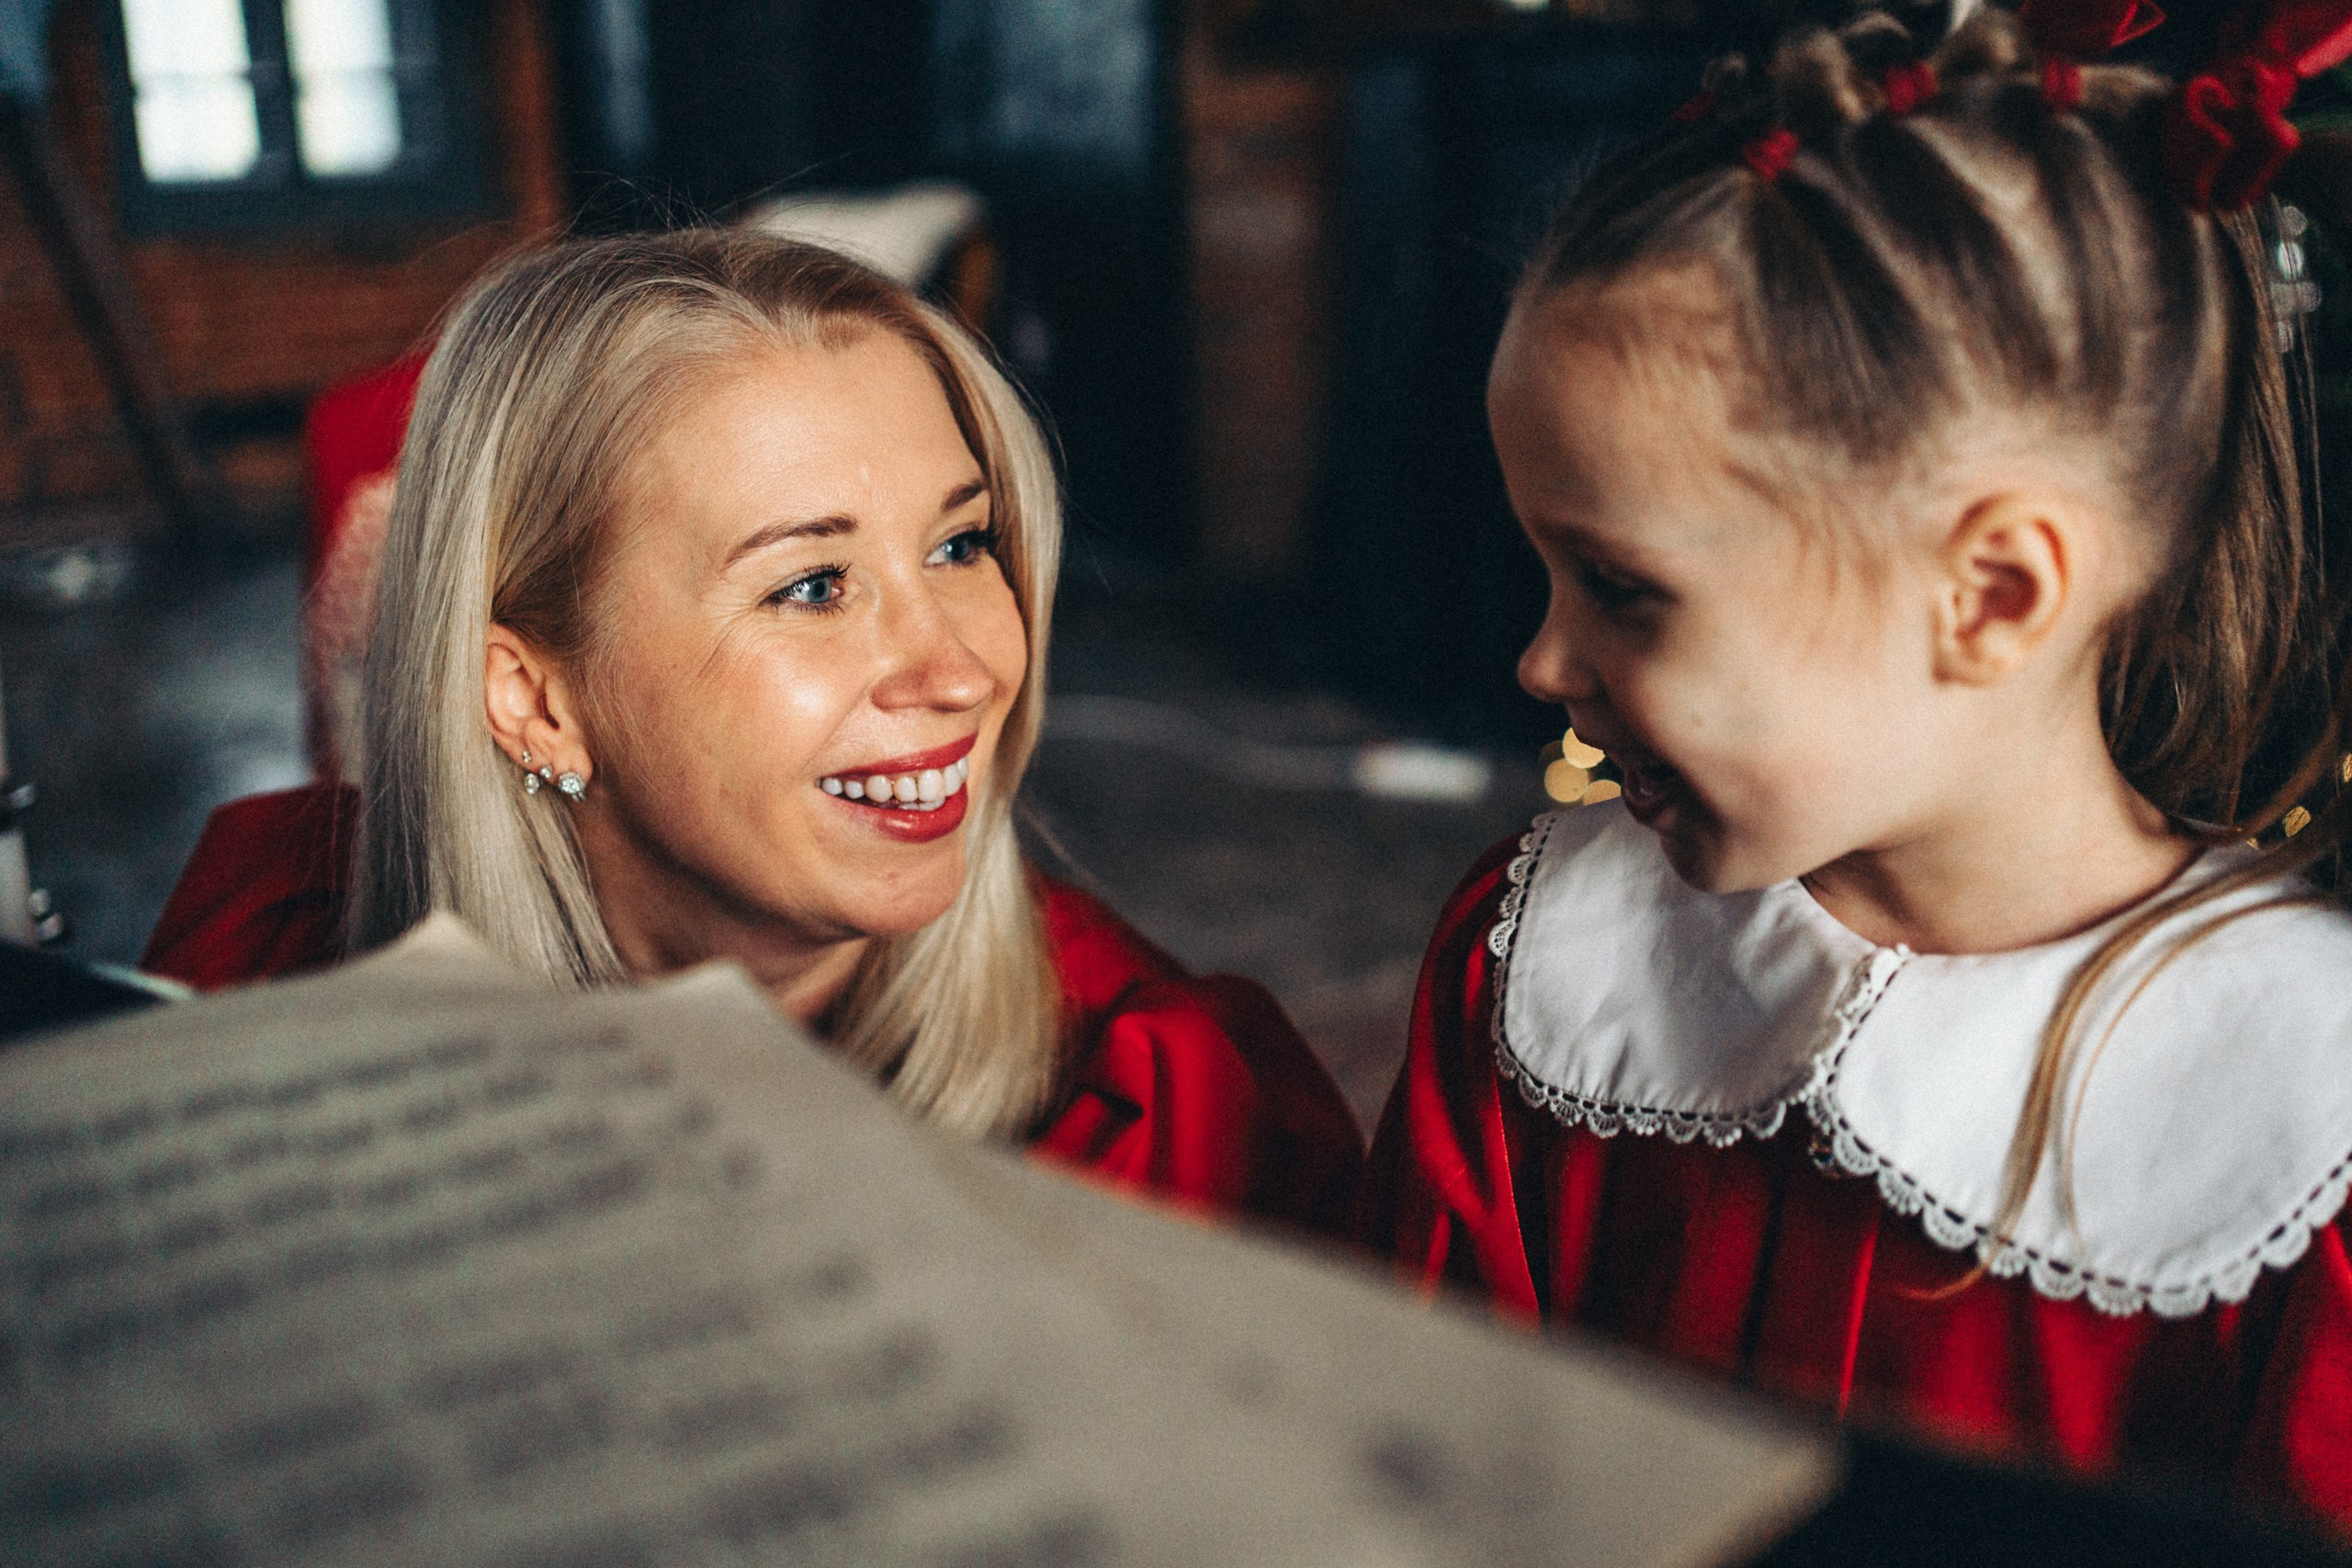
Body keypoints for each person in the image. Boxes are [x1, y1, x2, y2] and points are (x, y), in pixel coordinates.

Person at [1362, 0, 2352, 1530]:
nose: (1541, 668)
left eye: (1622, 590)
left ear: (1993, 594)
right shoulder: (1531, 971)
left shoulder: (2301, 1119)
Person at [145, 232, 1360, 1235]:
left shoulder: (1177, 1115)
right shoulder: (267, 951)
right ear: (532, 700)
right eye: (812, 586)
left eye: (960, 545)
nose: (959, 668)